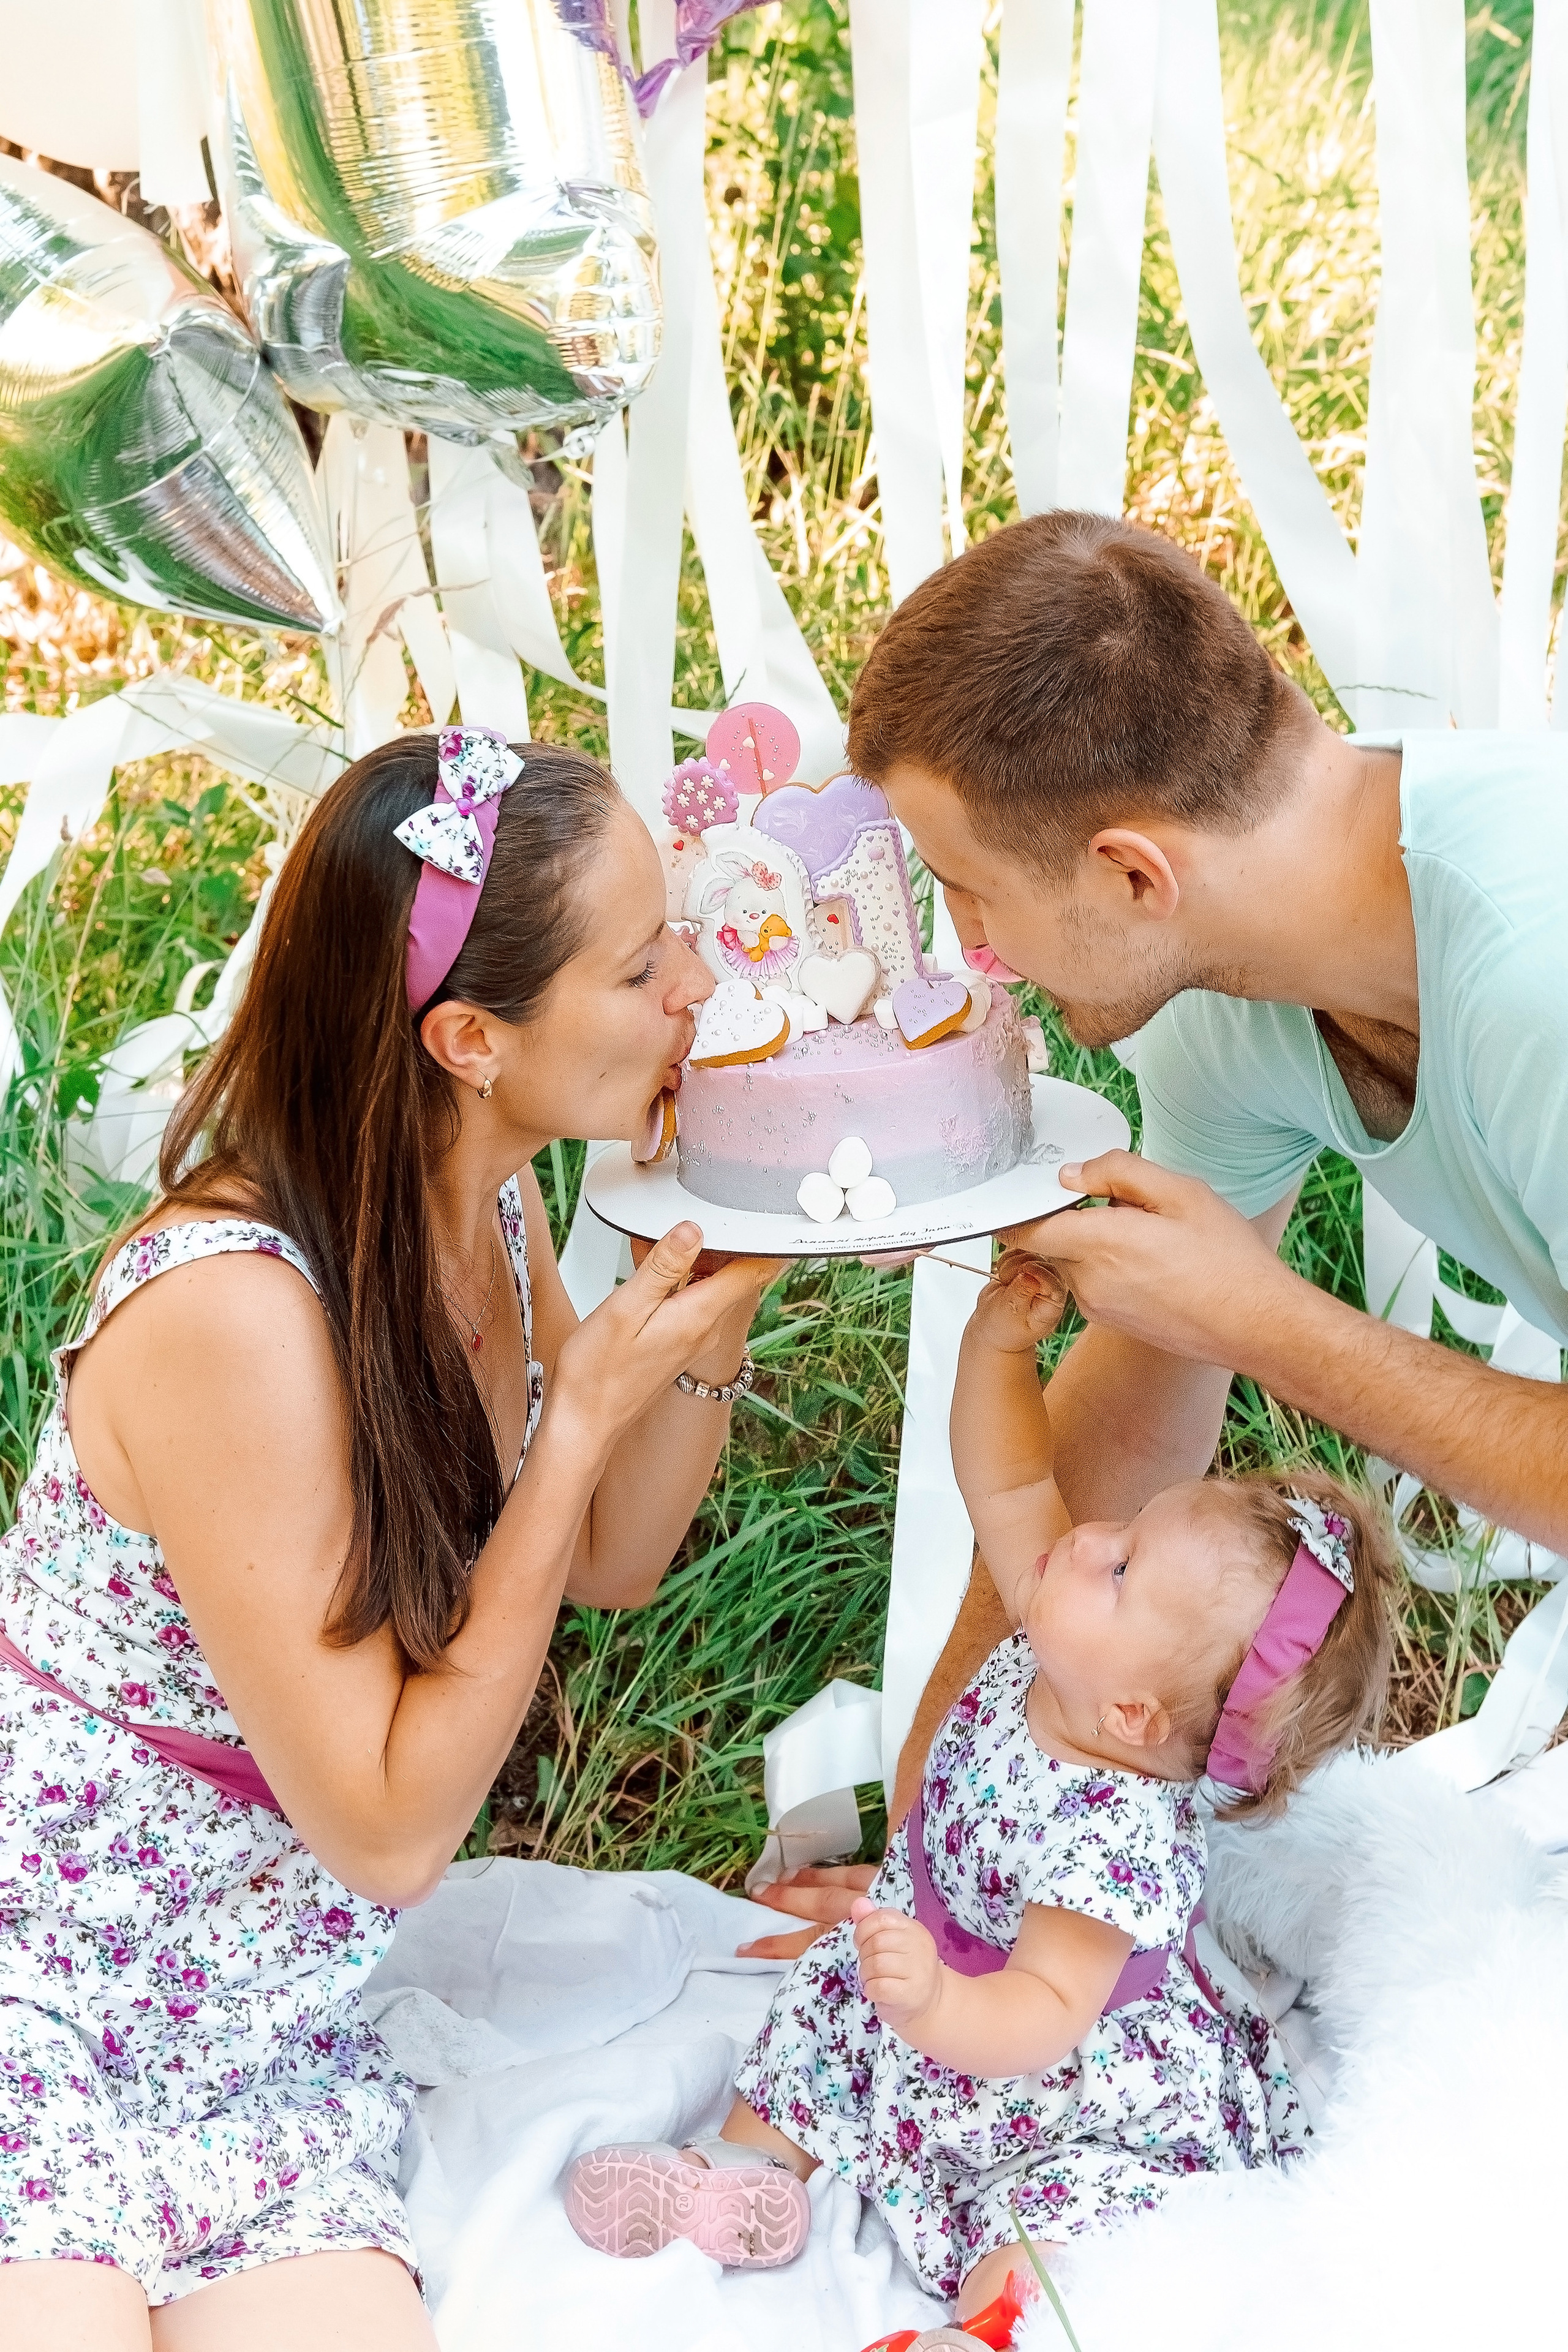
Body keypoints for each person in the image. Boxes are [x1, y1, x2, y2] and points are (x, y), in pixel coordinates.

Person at [0, 726, 780, 2352]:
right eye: (643, 968)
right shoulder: (239, 1315)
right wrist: (570, 1434)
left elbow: (619, 1554)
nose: (695, 987)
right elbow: (387, 1832)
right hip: (48, 1980)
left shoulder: (475, 1205)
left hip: (256, 2015)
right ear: (473, 1038)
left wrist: (739, 1272)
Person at [747, 506, 1568, 1957]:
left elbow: (1231, 1328)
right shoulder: (1223, 996)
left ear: (1132, 872)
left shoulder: (1535, 968)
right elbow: (1112, 1450)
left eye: (969, 892)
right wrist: (933, 1874)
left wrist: (1261, 1320)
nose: (970, 948)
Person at [565, 1250, 1392, 2313]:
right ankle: (745, 2175)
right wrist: (995, 1345)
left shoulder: (1114, 1839)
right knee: (819, 2024)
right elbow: (1006, 1479)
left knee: (1059, 2227)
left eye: (1124, 1566)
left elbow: (1046, 2009)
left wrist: (940, 2001)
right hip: (933, 1999)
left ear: (1135, 1715)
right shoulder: (1065, 1646)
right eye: (1127, 1534)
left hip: (1057, 2093)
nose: (1092, 1535)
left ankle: (997, 2324)